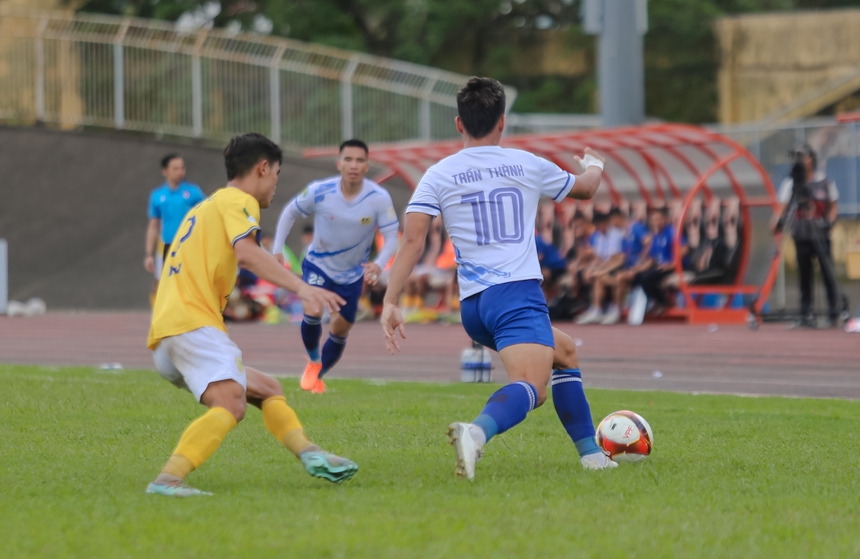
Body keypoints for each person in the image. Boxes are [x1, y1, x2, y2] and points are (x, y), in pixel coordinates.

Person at [381, 77, 616, 481]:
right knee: (532, 388)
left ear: (459, 124)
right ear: (502, 122)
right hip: (515, 295)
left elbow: (413, 240)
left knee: (564, 351)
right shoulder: (528, 163)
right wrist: (593, 164)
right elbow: (587, 189)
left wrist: (390, 301)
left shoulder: (438, 174)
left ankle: (591, 455)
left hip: (474, 307)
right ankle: (476, 432)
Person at [146, 133, 358, 497]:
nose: (276, 184)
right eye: (276, 173)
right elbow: (245, 252)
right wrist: (303, 288)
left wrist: (270, 262)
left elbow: (240, 254)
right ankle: (168, 479)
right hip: (191, 325)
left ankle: (311, 454)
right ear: (262, 169)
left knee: (267, 389)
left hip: (169, 333)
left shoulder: (208, 205)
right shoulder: (240, 201)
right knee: (231, 402)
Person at [272, 139, 399, 393]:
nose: (353, 165)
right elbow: (290, 212)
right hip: (318, 265)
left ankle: (317, 372)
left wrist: (379, 264)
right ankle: (313, 359)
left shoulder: (378, 198)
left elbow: (393, 236)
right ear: (339, 164)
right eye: (348, 159)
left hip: (352, 275)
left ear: (367, 165)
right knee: (313, 307)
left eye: (360, 160)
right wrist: (276, 249)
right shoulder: (319, 190)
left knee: (340, 328)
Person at [775, 144, 840, 327]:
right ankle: (806, 313)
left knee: (828, 272)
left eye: (804, 156)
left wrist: (828, 222)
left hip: (820, 233)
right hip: (801, 234)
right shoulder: (791, 183)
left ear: (812, 158)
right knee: (804, 276)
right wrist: (777, 224)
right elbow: (782, 208)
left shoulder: (824, 181)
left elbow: (833, 205)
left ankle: (833, 312)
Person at [144, 154, 205, 292]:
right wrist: (149, 254)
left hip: (189, 245)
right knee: (165, 285)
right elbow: (153, 226)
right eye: (175, 168)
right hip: (168, 246)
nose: (180, 172)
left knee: (190, 285)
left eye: (182, 168)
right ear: (164, 171)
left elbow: (205, 217)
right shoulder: (157, 196)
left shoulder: (193, 192)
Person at [575, 210, 624, 324]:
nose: (599, 228)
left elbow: (615, 259)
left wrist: (599, 270)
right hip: (606, 266)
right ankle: (596, 309)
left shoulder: (616, 234)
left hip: (617, 266)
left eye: (600, 225)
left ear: (606, 223)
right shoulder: (598, 236)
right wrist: (591, 269)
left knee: (599, 277)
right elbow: (598, 258)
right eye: (597, 226)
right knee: (589, 275)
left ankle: (613, 309)